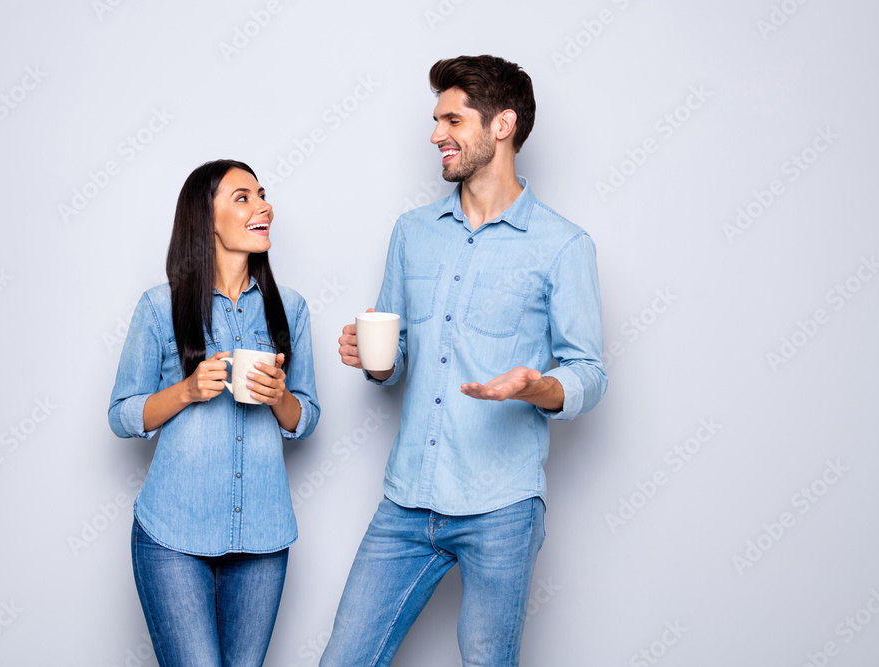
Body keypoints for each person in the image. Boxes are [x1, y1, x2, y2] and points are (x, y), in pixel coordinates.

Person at [323, 55, 607, 666]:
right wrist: (374, 363)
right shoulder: (413, 232)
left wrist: (537, 386)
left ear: (502, 125)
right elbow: (394, 357)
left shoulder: (564, 246)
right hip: (407, 500)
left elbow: (588, 370)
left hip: (501, 505)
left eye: (452, 119)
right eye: (435, 120)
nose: (435, 136)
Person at [108, 159, 320, 667]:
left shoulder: (289, 308)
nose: (262, 205)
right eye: (242, 197)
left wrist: (279, 398)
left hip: (264, 540)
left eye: (262, 195)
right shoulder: (161, 307)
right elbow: (121, 415)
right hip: (172, 537)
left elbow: (306, 417)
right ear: (206, 220)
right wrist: (187, 390)